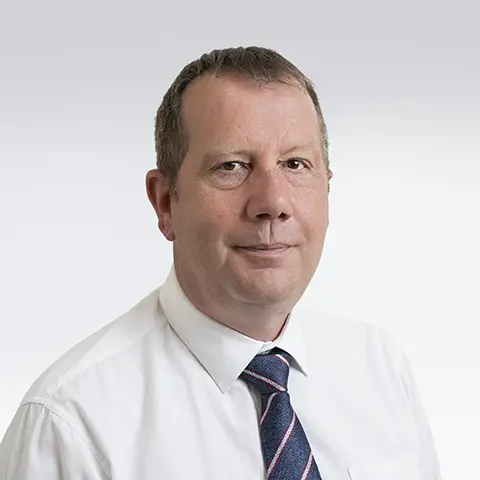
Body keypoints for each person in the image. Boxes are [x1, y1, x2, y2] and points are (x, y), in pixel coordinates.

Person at [0, 46, 442, 479]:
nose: (272, 202)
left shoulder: (382, 370)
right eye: (231, 166)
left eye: (295, 164)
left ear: (327, 189)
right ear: (165, 202)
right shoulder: (71, 425)